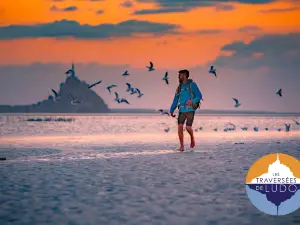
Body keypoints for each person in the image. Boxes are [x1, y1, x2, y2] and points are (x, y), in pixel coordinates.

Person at [170, 69, 203, 151]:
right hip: (181, 110)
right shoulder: (179, 87)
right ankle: (181, 147)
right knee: (180, 127)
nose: (178, 76)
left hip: (190, 110)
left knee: (188, 127)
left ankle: (192, 138)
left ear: (184, 75)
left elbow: (199, 96)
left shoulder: (192, 85)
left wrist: (192, 101)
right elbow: (175, 99)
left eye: (180, 75)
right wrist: (172, 109)